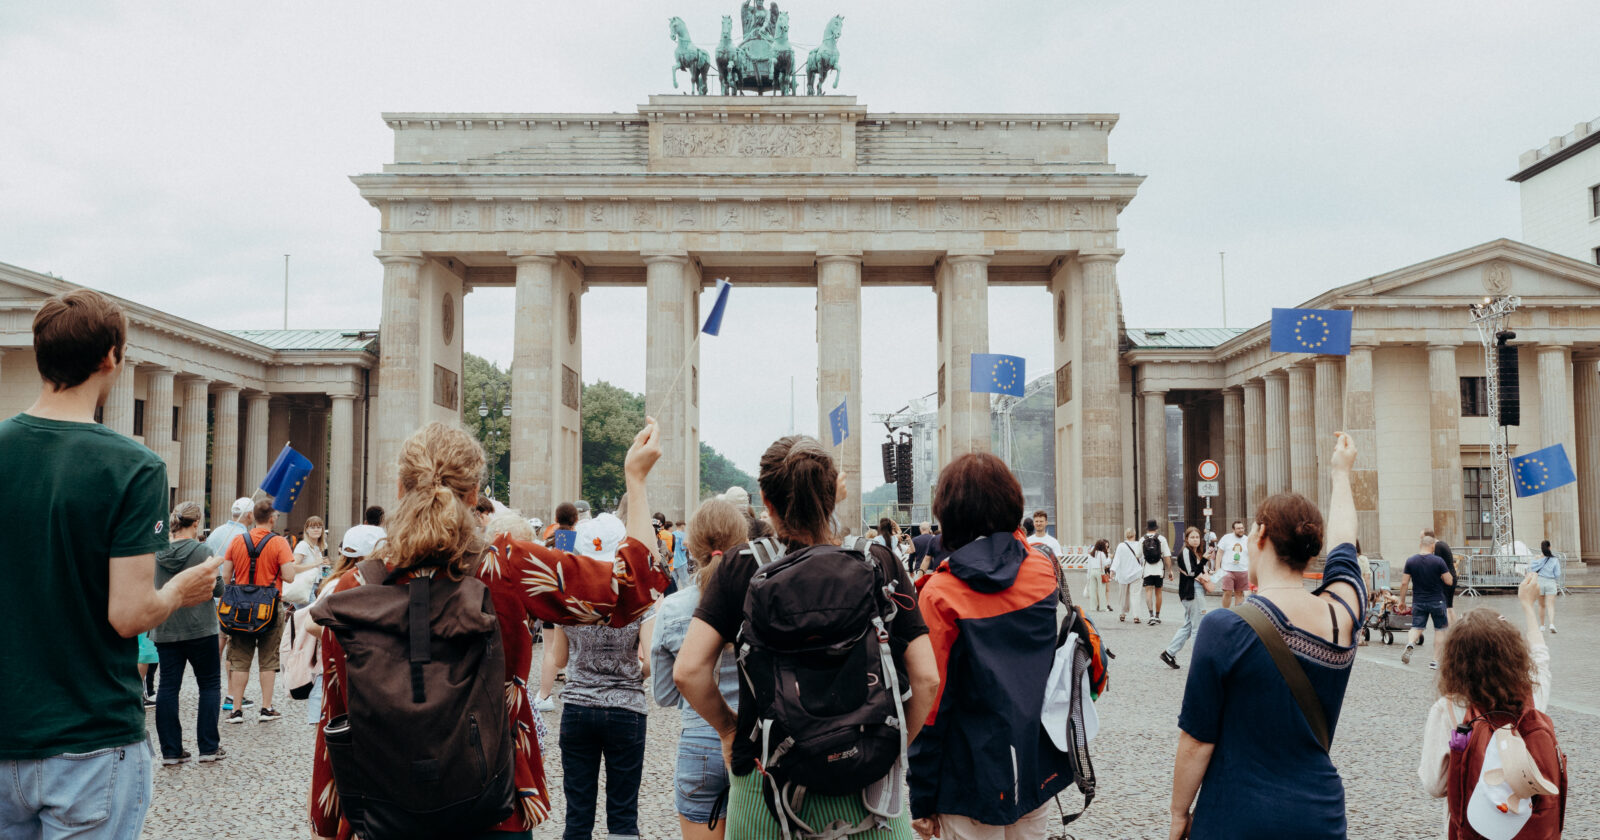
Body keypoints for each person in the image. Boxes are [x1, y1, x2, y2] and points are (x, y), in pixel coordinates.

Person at [309, 419, 669, 839]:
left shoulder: (351, 589)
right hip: (494, 803)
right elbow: (632, 587)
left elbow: (335, 713)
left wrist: (329, 824)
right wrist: (636, 481)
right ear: (475, 495)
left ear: (400, 490)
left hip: (381, 811)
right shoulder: (506, 567)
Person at [0, 289, 223, 838]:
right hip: (90, 735)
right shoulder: (133, 466)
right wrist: (182, 590)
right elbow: (129, 614)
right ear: (112, 357)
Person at [674, 435, 940, 838]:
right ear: (833, 493)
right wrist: (892, 747)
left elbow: (689, 671)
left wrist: (729, 730)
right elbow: (926, 678)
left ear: (765, 499)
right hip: (868, 793)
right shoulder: (879, 561)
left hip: (767, 791)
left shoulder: (740, 566)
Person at [1168, 432, 1366, 840]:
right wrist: (1340, 474)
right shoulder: (1342, 614)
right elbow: (1345, 544)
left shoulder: (1224, 627)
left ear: (1259, 536)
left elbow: (1196, 740)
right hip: (1320, 816)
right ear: (1312, 549)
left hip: (1236, 814)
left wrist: (1178, 813)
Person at [908, 453, 1073, 838]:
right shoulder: (1042, 569)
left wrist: (923, 794)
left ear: (948, 514)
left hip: (968, 777)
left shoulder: (940, 594)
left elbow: (933, 700)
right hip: (1035, 763)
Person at [1418, 576, 1560, 835]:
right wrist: (1527, 606)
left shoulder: (1447, 709)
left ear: (1455, 661)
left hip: (1472, 829)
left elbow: (1434, 785)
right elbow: (1541, 658)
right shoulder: (1530, 699)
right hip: (1524, 828)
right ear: (1513, 653)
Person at [550, 512, 654, 840]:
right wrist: (627, 670)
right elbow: (648, 662)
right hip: (626, 709)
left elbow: (560, 659)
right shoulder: (640, 599)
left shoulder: (567, 599)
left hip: (578, 706)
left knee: (578, 815)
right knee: (623, 814)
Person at [651, 499, 747, 840]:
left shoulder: (674, 608)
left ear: (690, 546)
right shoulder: (760, 599)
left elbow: (663, 695)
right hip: (751, 739)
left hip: (697, 739)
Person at [151, 501, 227, 764]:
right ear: (196, 523)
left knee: (168, 687)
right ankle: (208, 747)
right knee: (209, 685)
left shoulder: (157, 551)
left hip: (165, 627)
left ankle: (170, 751)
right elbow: (218, 591)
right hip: (201, 628)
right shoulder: (203, 550)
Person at [220, 498, 298, 723]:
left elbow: (226, 577)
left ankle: (236, 709)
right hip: (270, 607)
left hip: (240, 608)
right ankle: (266, 708)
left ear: (253, 516)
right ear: (273, 518)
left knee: (240, 658)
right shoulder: (279, 543)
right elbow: (290, 576)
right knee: (268, 659)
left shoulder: (237, 541)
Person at [1396, 534, 1454, 669]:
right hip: (1437, 601)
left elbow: (1404, 583)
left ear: (1420, 545)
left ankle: (1410, 643)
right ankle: (1435, 661)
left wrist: (1402, 601)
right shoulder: (1438, 561)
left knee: (1416, 627)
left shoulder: (1410, 561)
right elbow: (1449, 581)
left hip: (1418, 601)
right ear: (1432, 546)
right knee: (1440, 630)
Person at [1161, 527, 1215, 670]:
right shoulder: (1186, 551)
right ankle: (1198, 660)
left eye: (1197, 537)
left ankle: (1169, 653)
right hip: (1191, 592)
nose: (1195, 539)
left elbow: (1195, 569)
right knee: (1198, 627)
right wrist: (1204, 560)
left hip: (1193, 591)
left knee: (1189, 626)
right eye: (1192, 537)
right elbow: (1191, 573)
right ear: (1186, 539)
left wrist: (1206, 567)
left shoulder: (1194, 552)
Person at [282, 515, 330, 607]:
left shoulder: (317, 547)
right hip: (304, 588)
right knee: (311, 618)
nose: (316, 529)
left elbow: (317, 569)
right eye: (312, 527)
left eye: (319, 527)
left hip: (314, 587)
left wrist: (324, 566)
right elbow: (293, 567)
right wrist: (315, 564)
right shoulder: (303, 545)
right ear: (307, 530)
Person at [1423, 528, 1458, 622]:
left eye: (1422, 538)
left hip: (1446, 579)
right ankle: (1454, 629)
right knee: (1449, 606)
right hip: (1451, 577)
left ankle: (1449, 631)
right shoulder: (1442, 544)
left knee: (1445, 606)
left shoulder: (1438, 546)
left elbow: (1436, 565)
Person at [1141, 520, 1172, 626]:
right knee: (1158, 592)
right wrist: (1170, 570)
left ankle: (1151, 615)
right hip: (1159, 569)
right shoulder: (1161, 538)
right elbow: (1167, 555)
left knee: (1148, 592)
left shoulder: (1142, 539)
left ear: (1147, 528)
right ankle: (1158, 616)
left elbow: (1137, 554)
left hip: (1147, 570)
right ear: (1156, 528)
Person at [1111, 528, 1146, 622]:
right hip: (1136, 573)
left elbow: (1116, 559)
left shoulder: (1121, 546)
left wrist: (1112, 570)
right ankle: (1136, 616)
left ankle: (1122, 613)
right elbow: (1142, 559)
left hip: (1123, 574)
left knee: (1123, 595)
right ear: (1134, 534)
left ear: (1126, 535)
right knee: (1135, 595)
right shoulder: (1139, 545)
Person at [1213, 520, 1249, 609]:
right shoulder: (1226, 538)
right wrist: (1217, 567)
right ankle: (1225, 612)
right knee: (1227, 592)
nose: (1241, 530)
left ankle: (1237, 614)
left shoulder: (1247, 539)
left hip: (1243, 570)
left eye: (1242, 528)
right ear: (1233, 529)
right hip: (1228, 570)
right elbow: (1219, 553)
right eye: (1238, 528)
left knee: (1239, 593)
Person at [1529, 540, 1562, 633]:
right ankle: (1551, 624)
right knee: (1550, 605)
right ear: (1550, 547)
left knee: (1541, 605)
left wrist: (1536, 559)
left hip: (1539, 582)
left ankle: (1542, 626)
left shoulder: (1537, 559)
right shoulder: (1554, 559)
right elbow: (1557, 574)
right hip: (1550, 582)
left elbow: (1532, 569)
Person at [1083, 538, 1111, 612]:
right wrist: (1110, 559)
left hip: (1092, 572)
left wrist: (1088, 576)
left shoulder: (1091, 554)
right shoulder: (1101, 554)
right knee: (1101, 590)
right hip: (1100, 571)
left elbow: (1089, 566)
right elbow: (1105, 564)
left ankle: (1093, 607)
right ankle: (1103, 607)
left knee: (1093, 590)